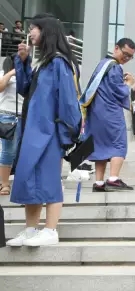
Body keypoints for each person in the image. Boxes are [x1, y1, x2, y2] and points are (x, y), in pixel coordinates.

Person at [6, 13, 82, 247]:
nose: (30, 32)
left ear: (46, 31)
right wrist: (23, 61)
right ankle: (30, 229)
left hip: (50, 132)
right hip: (33, 130)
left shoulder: (59, 62)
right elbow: (25, 89)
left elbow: (68, 102)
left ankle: (50, 229)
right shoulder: (44, 63)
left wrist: (67, 135)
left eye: (33, 28)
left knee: (48, 180)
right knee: (28, 178)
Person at [81, 38, 135, 192]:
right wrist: (129, 84)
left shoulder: (102, 64)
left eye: (130, 56)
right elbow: (119, 91)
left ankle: (99, 182)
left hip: (95, 112)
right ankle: (113, 179)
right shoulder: (115, 67)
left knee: (100, 145)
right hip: (110, 112)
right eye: (125, 54)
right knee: (119, 144)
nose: (126, 58)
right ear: (116, 48)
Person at [0, 56, 23, 196]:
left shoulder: (26, 75)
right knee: (8, 151)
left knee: (21, 151)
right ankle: (4, 184)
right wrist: (11, 73)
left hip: (25, 116)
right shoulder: (3, 74)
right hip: (7, 117)